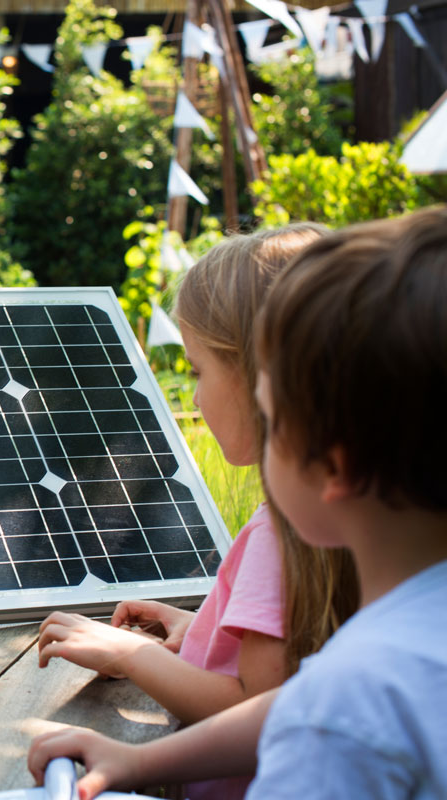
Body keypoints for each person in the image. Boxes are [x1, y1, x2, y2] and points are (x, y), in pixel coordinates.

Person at [26, 205, 447, 799]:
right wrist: (206, 634)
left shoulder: (342, 721)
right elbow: (295, 695)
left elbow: (293, 705)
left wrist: (131, 658)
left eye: (274, 417)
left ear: (334, 463)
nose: (193, 396)